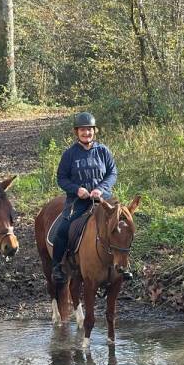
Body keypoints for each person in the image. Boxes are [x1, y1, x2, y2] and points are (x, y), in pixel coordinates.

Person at [51, 111, 117, 285]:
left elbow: (112, 173)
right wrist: (77, 189)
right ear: (76, 132)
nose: (86, 133)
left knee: (122, 225)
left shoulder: (103, 151)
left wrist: (101, 189)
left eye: (89, 129)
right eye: (82, 130)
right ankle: (57, 266)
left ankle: (124, 264)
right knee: (63, 229)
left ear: (94, 131)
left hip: (103, 199)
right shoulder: (69, 154)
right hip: (78, 201)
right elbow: (61, 178)